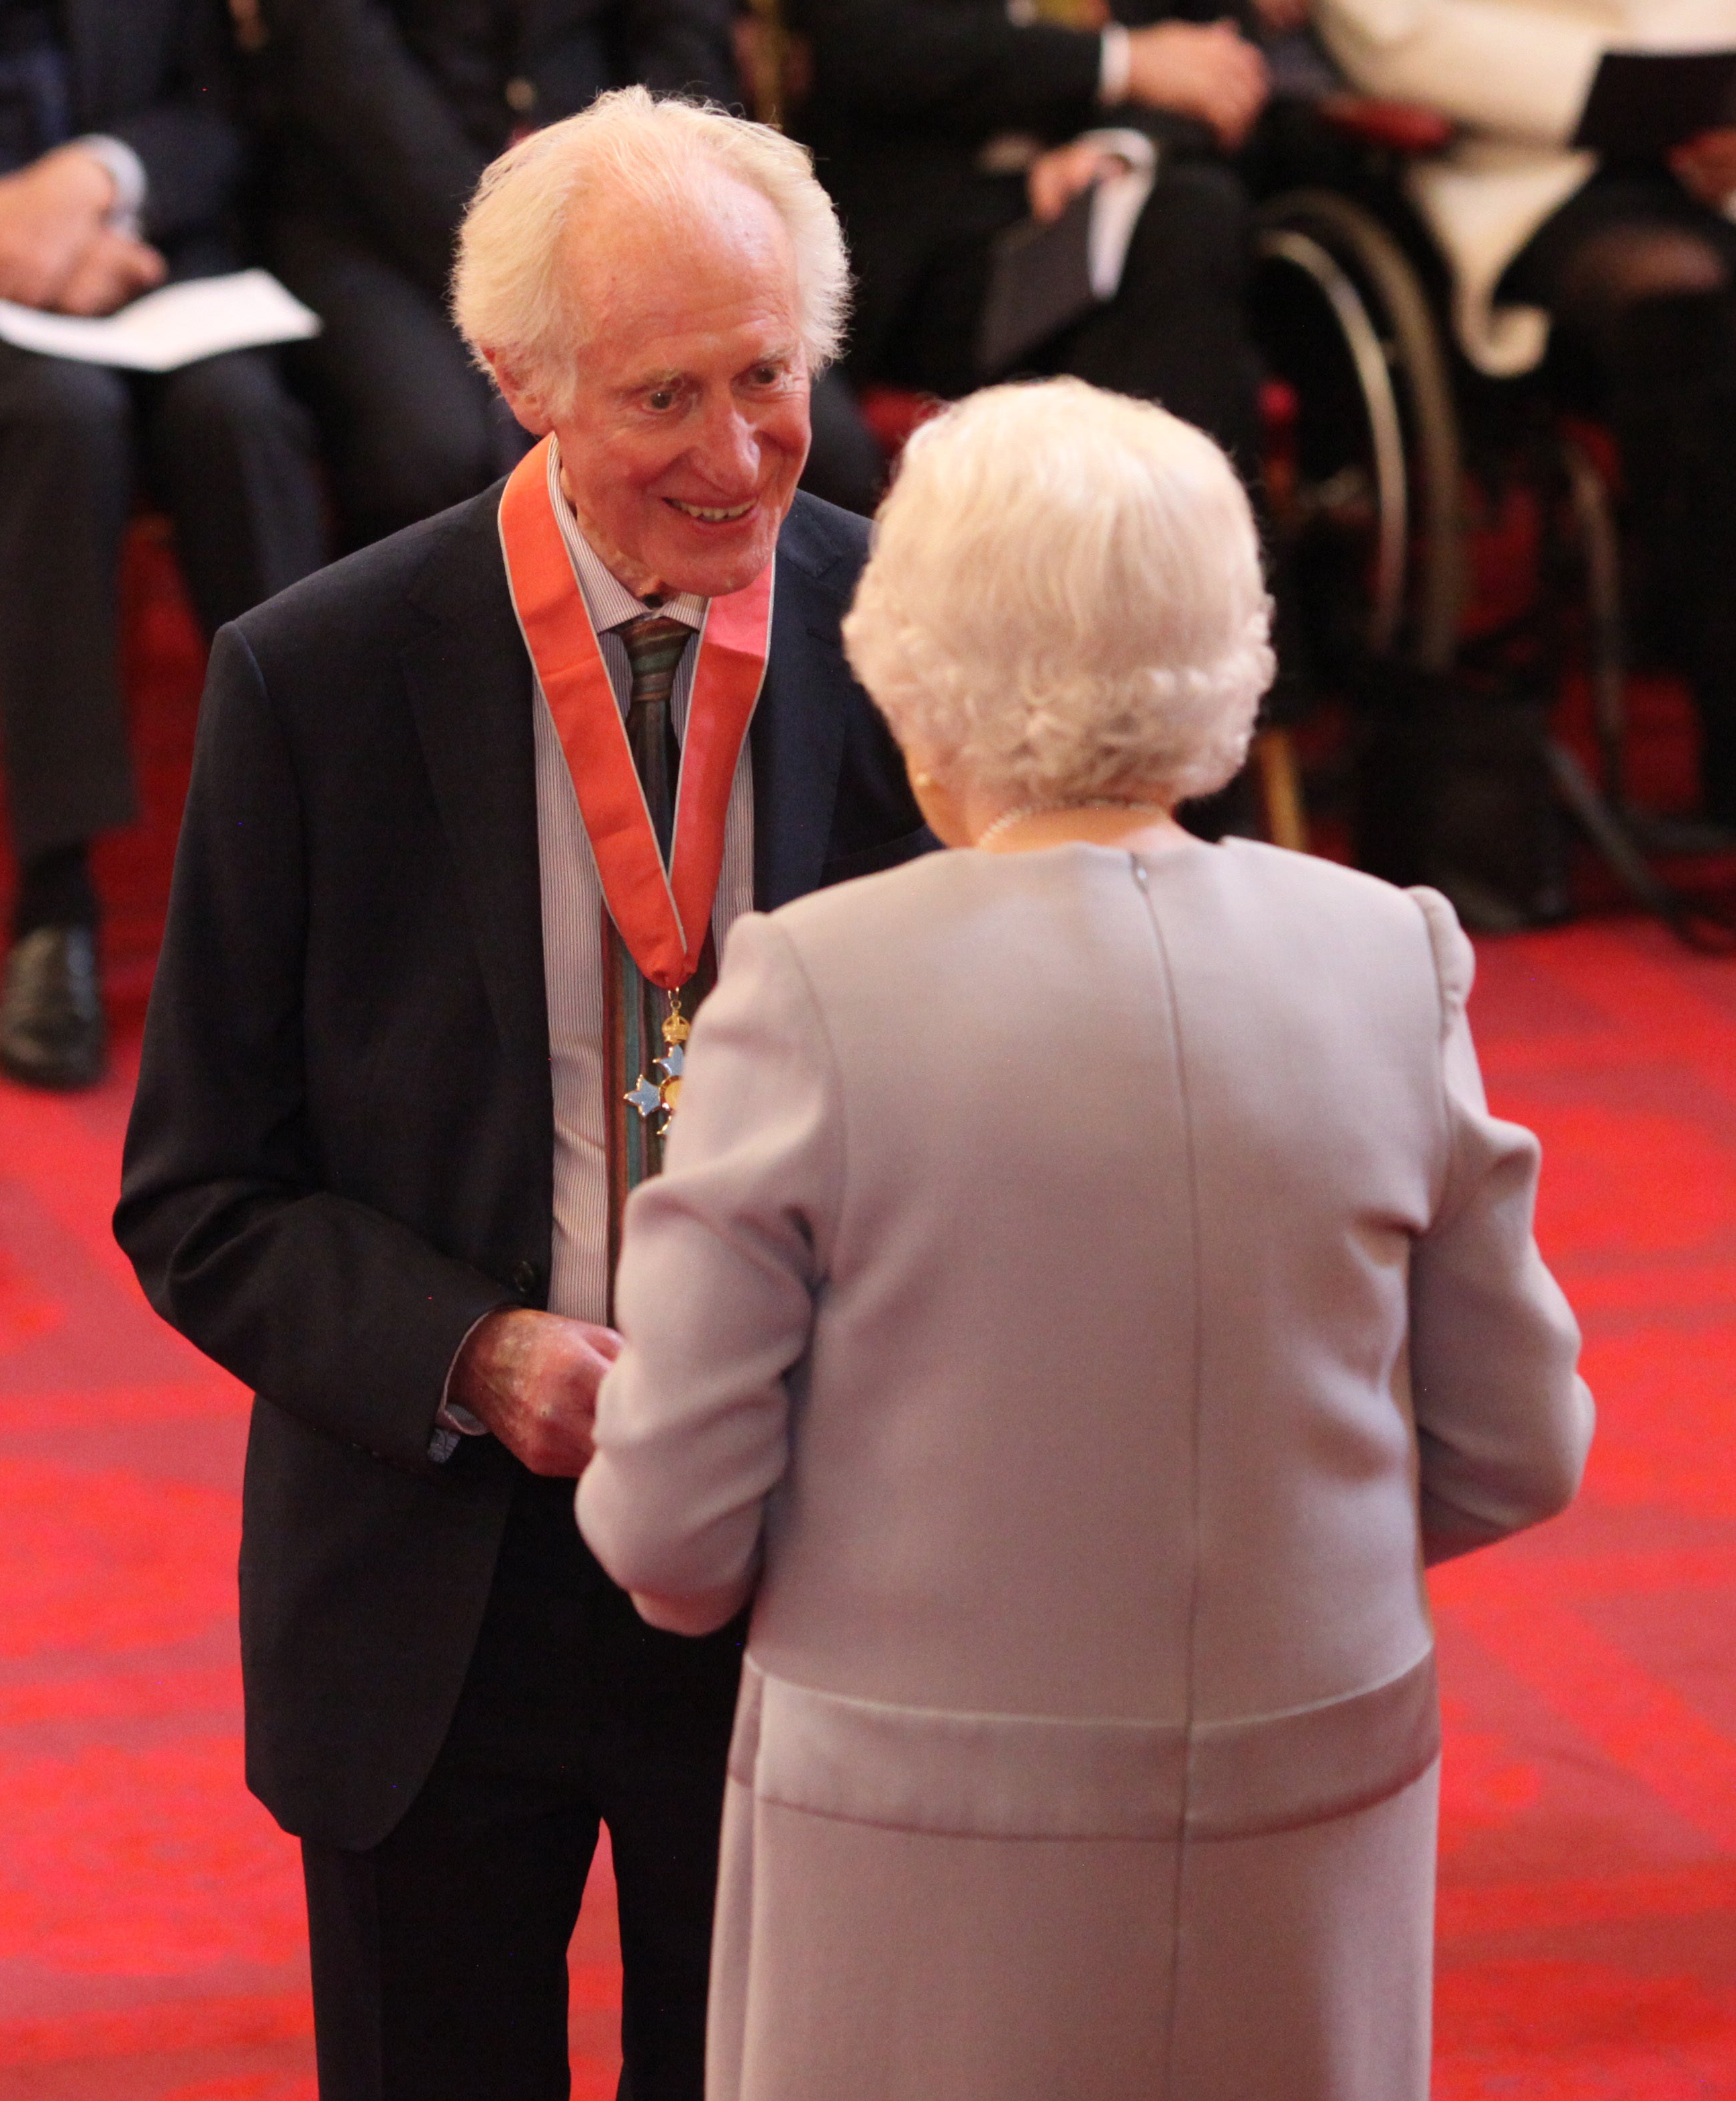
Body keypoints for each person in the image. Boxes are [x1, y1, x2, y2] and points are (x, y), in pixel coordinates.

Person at [576, 377, 1594, 2101]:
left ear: (906, 658)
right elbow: (1514, 1445)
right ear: (1232, 641)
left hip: (925, 1837)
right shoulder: (1386, 951)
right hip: (1311, 1793)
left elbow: (672, 1529)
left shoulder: (819, 983)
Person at [114, 88, 928, 2101]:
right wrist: (472, 1352)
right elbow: (199, 1189)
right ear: (515, 380)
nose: (736, 454)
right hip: (436, 1576)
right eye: (666, 394)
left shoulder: (916, 633)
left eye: (771, 375)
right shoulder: (314, 676)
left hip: (811, 1562)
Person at [0, 0, 324, 1091]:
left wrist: (98, 182)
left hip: (152, 269)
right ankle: (54, 903)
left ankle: (310, 873)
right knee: (59, 421)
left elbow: (220, 117)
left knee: (240, 417)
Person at [1316, 0, 1736, 829]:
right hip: (1519, 170)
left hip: (1714, 153)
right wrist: (1608, 97)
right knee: (1681, 311)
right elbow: (1386, 32)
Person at [243, 0, 738, 549]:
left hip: (616, 203)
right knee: (437, 450)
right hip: (376, 222)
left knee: (818, 448)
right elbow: (348, 74)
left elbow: (680, 39)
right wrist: (519, 235)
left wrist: (642, 196)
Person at [786, 0, 1278, 468]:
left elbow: (1225, 63)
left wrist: (1116, 148)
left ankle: (1130, 537)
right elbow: (868, 45)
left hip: (1119, 191)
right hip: (936, 243)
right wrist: (1118, 63)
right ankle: (1149, 535)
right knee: (1184, 309)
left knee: (1193, 225)